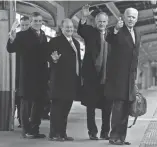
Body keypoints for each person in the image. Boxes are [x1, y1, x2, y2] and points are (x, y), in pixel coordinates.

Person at [6, 12, 49, 139]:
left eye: (40, 21)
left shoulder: (43, 35)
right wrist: (12, 39)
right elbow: (11, 49)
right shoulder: (22, 35)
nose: (38, 23)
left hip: (41, 75)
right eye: (35, 21)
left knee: (39, 102)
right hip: (27, 75)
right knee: (26, 103)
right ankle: (26, 129)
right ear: (31, 22)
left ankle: (34, 128)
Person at [105, 7, 140, 145]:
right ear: (124, 17)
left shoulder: (137, 33)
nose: (131, 19)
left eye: (133, 17)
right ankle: (114, 137)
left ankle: (122, 138)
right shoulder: (118, 30)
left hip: (130, 78)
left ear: (137, 19)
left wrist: (135, 77)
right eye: (129, 16)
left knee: (126, 110)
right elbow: (110, 39)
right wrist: (115, 29)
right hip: (118, 78)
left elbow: (135, 56)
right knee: (118, 108)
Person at [77, 4, 112, 140]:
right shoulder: (90, 32)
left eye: (104, 22)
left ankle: (105, 132)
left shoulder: (111, 35)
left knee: (107, 107)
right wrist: (84, 17)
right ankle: (92, 132)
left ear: (107, 22)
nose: (101, 24)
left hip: (107, 77)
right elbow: (81, 30)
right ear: (95, 22)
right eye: (99, 21)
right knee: (90, 107)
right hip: (91, 76)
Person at [48, 18, 82, 141]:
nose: (69, 29)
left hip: (72, 81)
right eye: (67, 27)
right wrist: (54, 59)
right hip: (59, 81)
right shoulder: (55, 41)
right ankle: (54, 133)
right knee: (57, 109)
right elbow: (49, 57)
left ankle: (62, 133)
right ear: (61, 28)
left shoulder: (76, 43)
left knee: (66, 109)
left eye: (71, 27)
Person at [7, 16, 31, 128]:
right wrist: (12, 38)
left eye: (27, 25)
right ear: (20, 26)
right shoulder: (19, 36)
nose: (25, 27)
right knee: (21, 98)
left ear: (30, 24)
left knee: (29, 99)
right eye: (23, 25)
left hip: (32, 73)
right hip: (20, 72)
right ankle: (22, 121)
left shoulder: (35, 36)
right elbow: (10, 49)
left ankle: (27, 120)